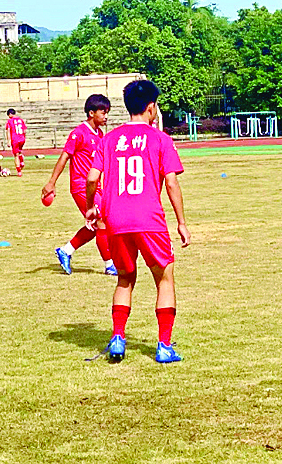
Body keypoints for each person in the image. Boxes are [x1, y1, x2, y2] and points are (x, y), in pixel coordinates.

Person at [86, 80, 189, 364]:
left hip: (116, 220)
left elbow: (92, 178)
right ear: (151, 107)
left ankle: (118, 338)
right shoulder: (160, 139)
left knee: (125, 278)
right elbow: (171, 183)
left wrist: (91, 207)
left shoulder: (109, 139)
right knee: (164, 278)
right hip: (149, 219)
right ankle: (164, 345)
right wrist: (181, 222)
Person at [43, 95, 117, 276]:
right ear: (91, 113)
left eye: (107, 112)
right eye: (103, 112)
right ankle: (109, 265)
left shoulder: (100, 135)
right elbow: (64, 157)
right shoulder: (79, 133)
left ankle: (66, 251)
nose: (106, 116)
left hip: (96, 187)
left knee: (95, 225)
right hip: (81, 186)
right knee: (100, 221)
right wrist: (51, 182)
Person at [4, 108, 27, 176]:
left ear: (10, 114)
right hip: (22, 138)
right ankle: (21, 161)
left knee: (16, 155)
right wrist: (23, 137)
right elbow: (24, 130)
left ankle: (19, 172)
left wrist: (8, 141)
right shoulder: (21, 120)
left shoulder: (9, 121)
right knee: (19, 152)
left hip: (15, 139)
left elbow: (8, 131)